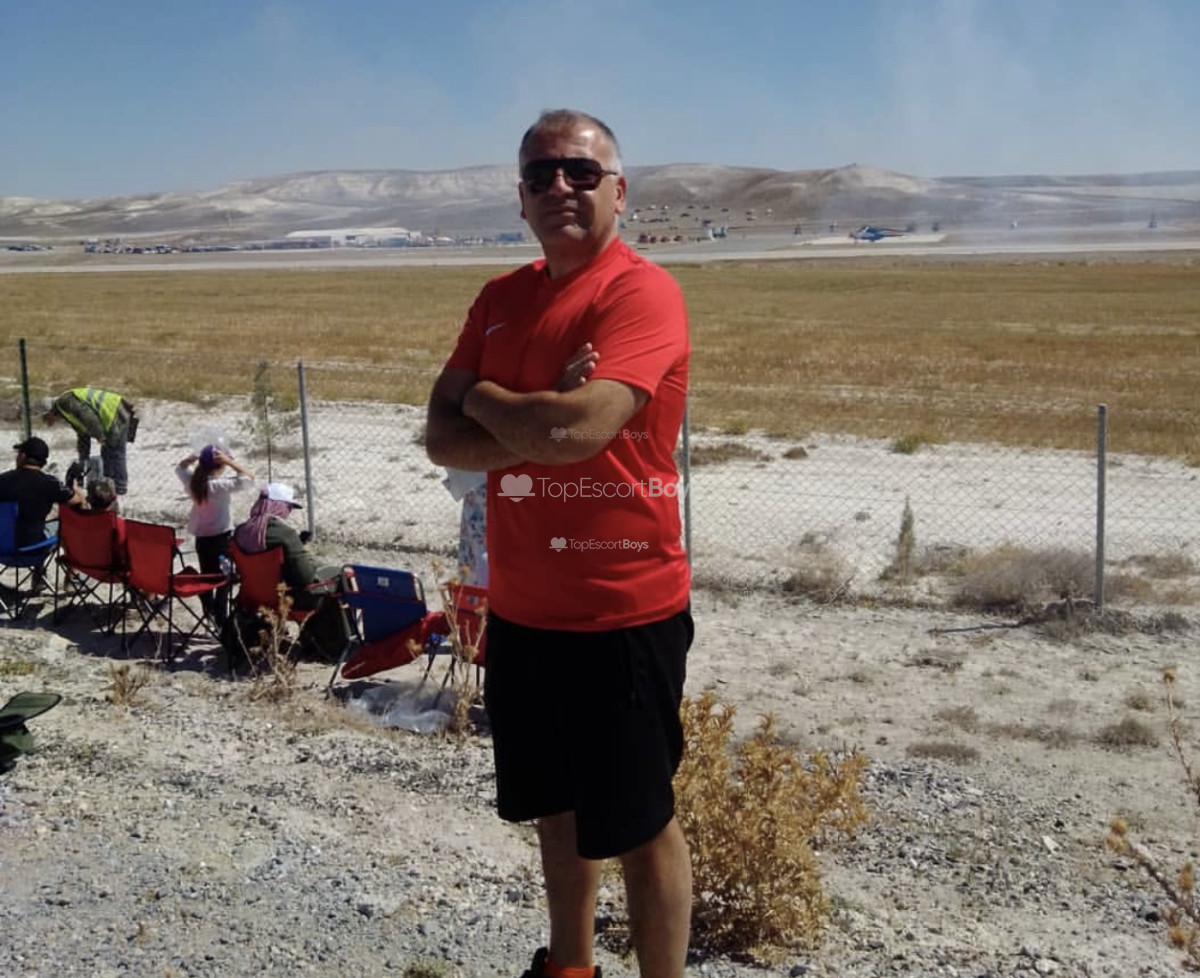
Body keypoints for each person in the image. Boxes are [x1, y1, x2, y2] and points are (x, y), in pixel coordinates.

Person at [425, 109, 693, 978]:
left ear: (619, 190)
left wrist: (486, 398)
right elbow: (439, 435)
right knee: (557, 810)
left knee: (643, 823)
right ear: (521, 197)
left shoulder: (641, 293)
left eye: (581, 172)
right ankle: (570, 967)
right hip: (524, 610)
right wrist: (534, 409)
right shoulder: (500, 298)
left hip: (622, 611)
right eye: (541, 174)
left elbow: (577, 432)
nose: (561, 187)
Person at [233, 482, 349, 658]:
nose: (288, 512)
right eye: (287, 507)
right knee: (337, 578)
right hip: (286, 601)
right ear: (277, 505)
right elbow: (305, 577)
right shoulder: (284, 533)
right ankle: (332, 645)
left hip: (252, 600)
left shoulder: (240, 531)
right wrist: (304, 553)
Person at [177, 446, 255, 626]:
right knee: (224, 578)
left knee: (206, 576)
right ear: (220, 466)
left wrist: (192, 457)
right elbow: (249, 478)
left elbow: (180, 468)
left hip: (202, 539)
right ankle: (221, 618)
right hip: (221, 540)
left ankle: (208, 611)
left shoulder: (193, 483)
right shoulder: (219, 486)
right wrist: (231, 462)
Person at [39, 387, 139, 496]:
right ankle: (111, 486)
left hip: (114, 411)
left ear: (49, 411)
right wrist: (83, 457)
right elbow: (83, 432)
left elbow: (88, 416)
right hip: (112, 413)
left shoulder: (65, 402)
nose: (45, 422)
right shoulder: (65, 411)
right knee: (108, 453)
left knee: (114, 453)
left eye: (44, 417)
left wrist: (100, 436)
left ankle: (119, 487)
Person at [0, 437, 83, 549]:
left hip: (3, 547)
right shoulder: (50, 483)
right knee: (63, 524)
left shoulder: (2, 480)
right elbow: (77, 500)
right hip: (33, 548)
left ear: (22, 456)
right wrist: (75, 488)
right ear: (44, 462)